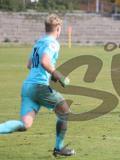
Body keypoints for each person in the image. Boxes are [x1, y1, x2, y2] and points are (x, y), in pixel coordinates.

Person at [0, 14, 75, 157]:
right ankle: (58, 149)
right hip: (38, 87)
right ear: (58, 29)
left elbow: (29, 65)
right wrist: (59, 77)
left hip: (28, 87)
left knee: (25, 125)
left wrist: (47, 74)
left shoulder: (39, 42)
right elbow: (45, 62)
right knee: (64, 110)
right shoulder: (53, 43)